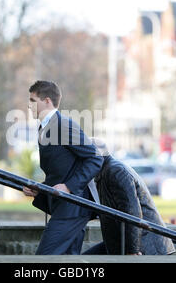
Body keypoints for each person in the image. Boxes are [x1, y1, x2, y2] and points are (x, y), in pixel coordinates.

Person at [23, 80, 103, 255]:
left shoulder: (63, 125)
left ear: (47, 101)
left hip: (73, 207)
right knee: (68, 262)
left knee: (44, 259)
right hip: (65, 206)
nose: (29, 106)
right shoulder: (44, 127)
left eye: (32, 100)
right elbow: (61, 170)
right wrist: (41, 189)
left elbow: (95, 159)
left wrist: (69, 187)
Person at [82, 139, 176, 255]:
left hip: (145, 247)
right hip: (126, 243)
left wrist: (132, 251)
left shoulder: (115, 171)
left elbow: (132, 212)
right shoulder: (106, 171)